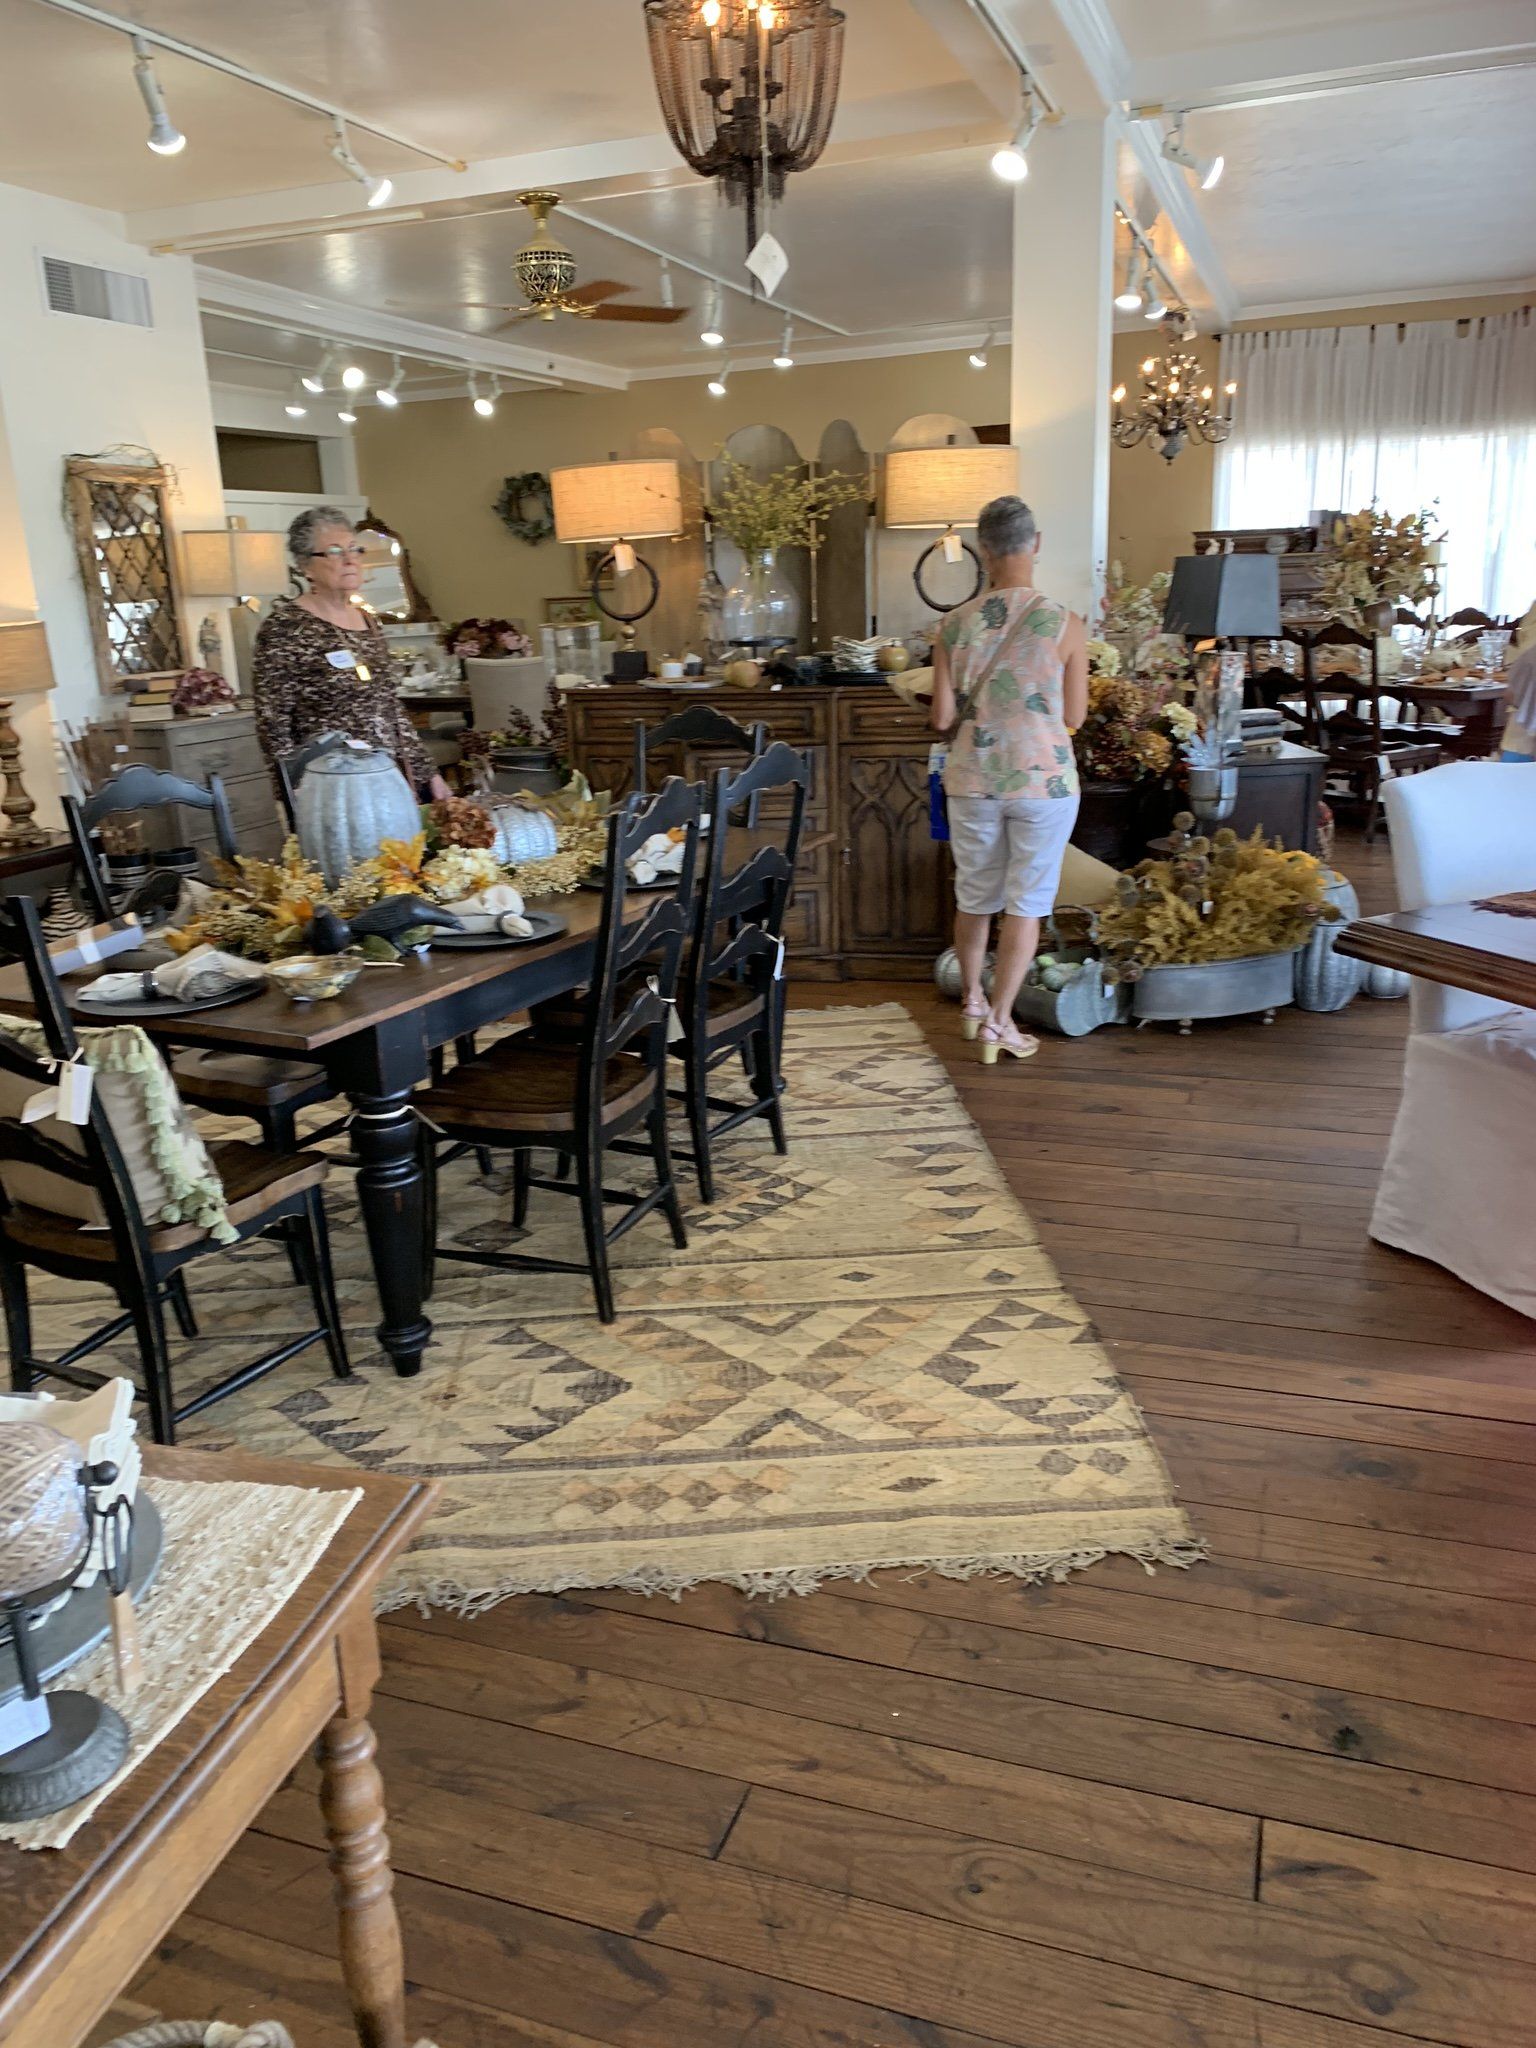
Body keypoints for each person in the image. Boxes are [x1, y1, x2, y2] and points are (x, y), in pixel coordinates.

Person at [930, 495, 1088, 1065]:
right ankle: (1002, 1024)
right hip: (1043, 784)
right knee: (1028, 902)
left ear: (984, 550)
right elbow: (1075, 716)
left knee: (975, 894)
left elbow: (942, 719)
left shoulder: (951, 626)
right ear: (1035, 544)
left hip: (972, 780)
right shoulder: (1066, 624)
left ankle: (972, 1002)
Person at [253, 507, 450, 801]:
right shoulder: (285, 627)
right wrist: (292, 791)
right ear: (306, 566)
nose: (349, 560)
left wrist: (429, 774)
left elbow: (391, 708)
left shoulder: (368, 621)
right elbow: (272, 722)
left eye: (354, 550)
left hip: (389, 777)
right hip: (331, 785)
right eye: (334, 551)